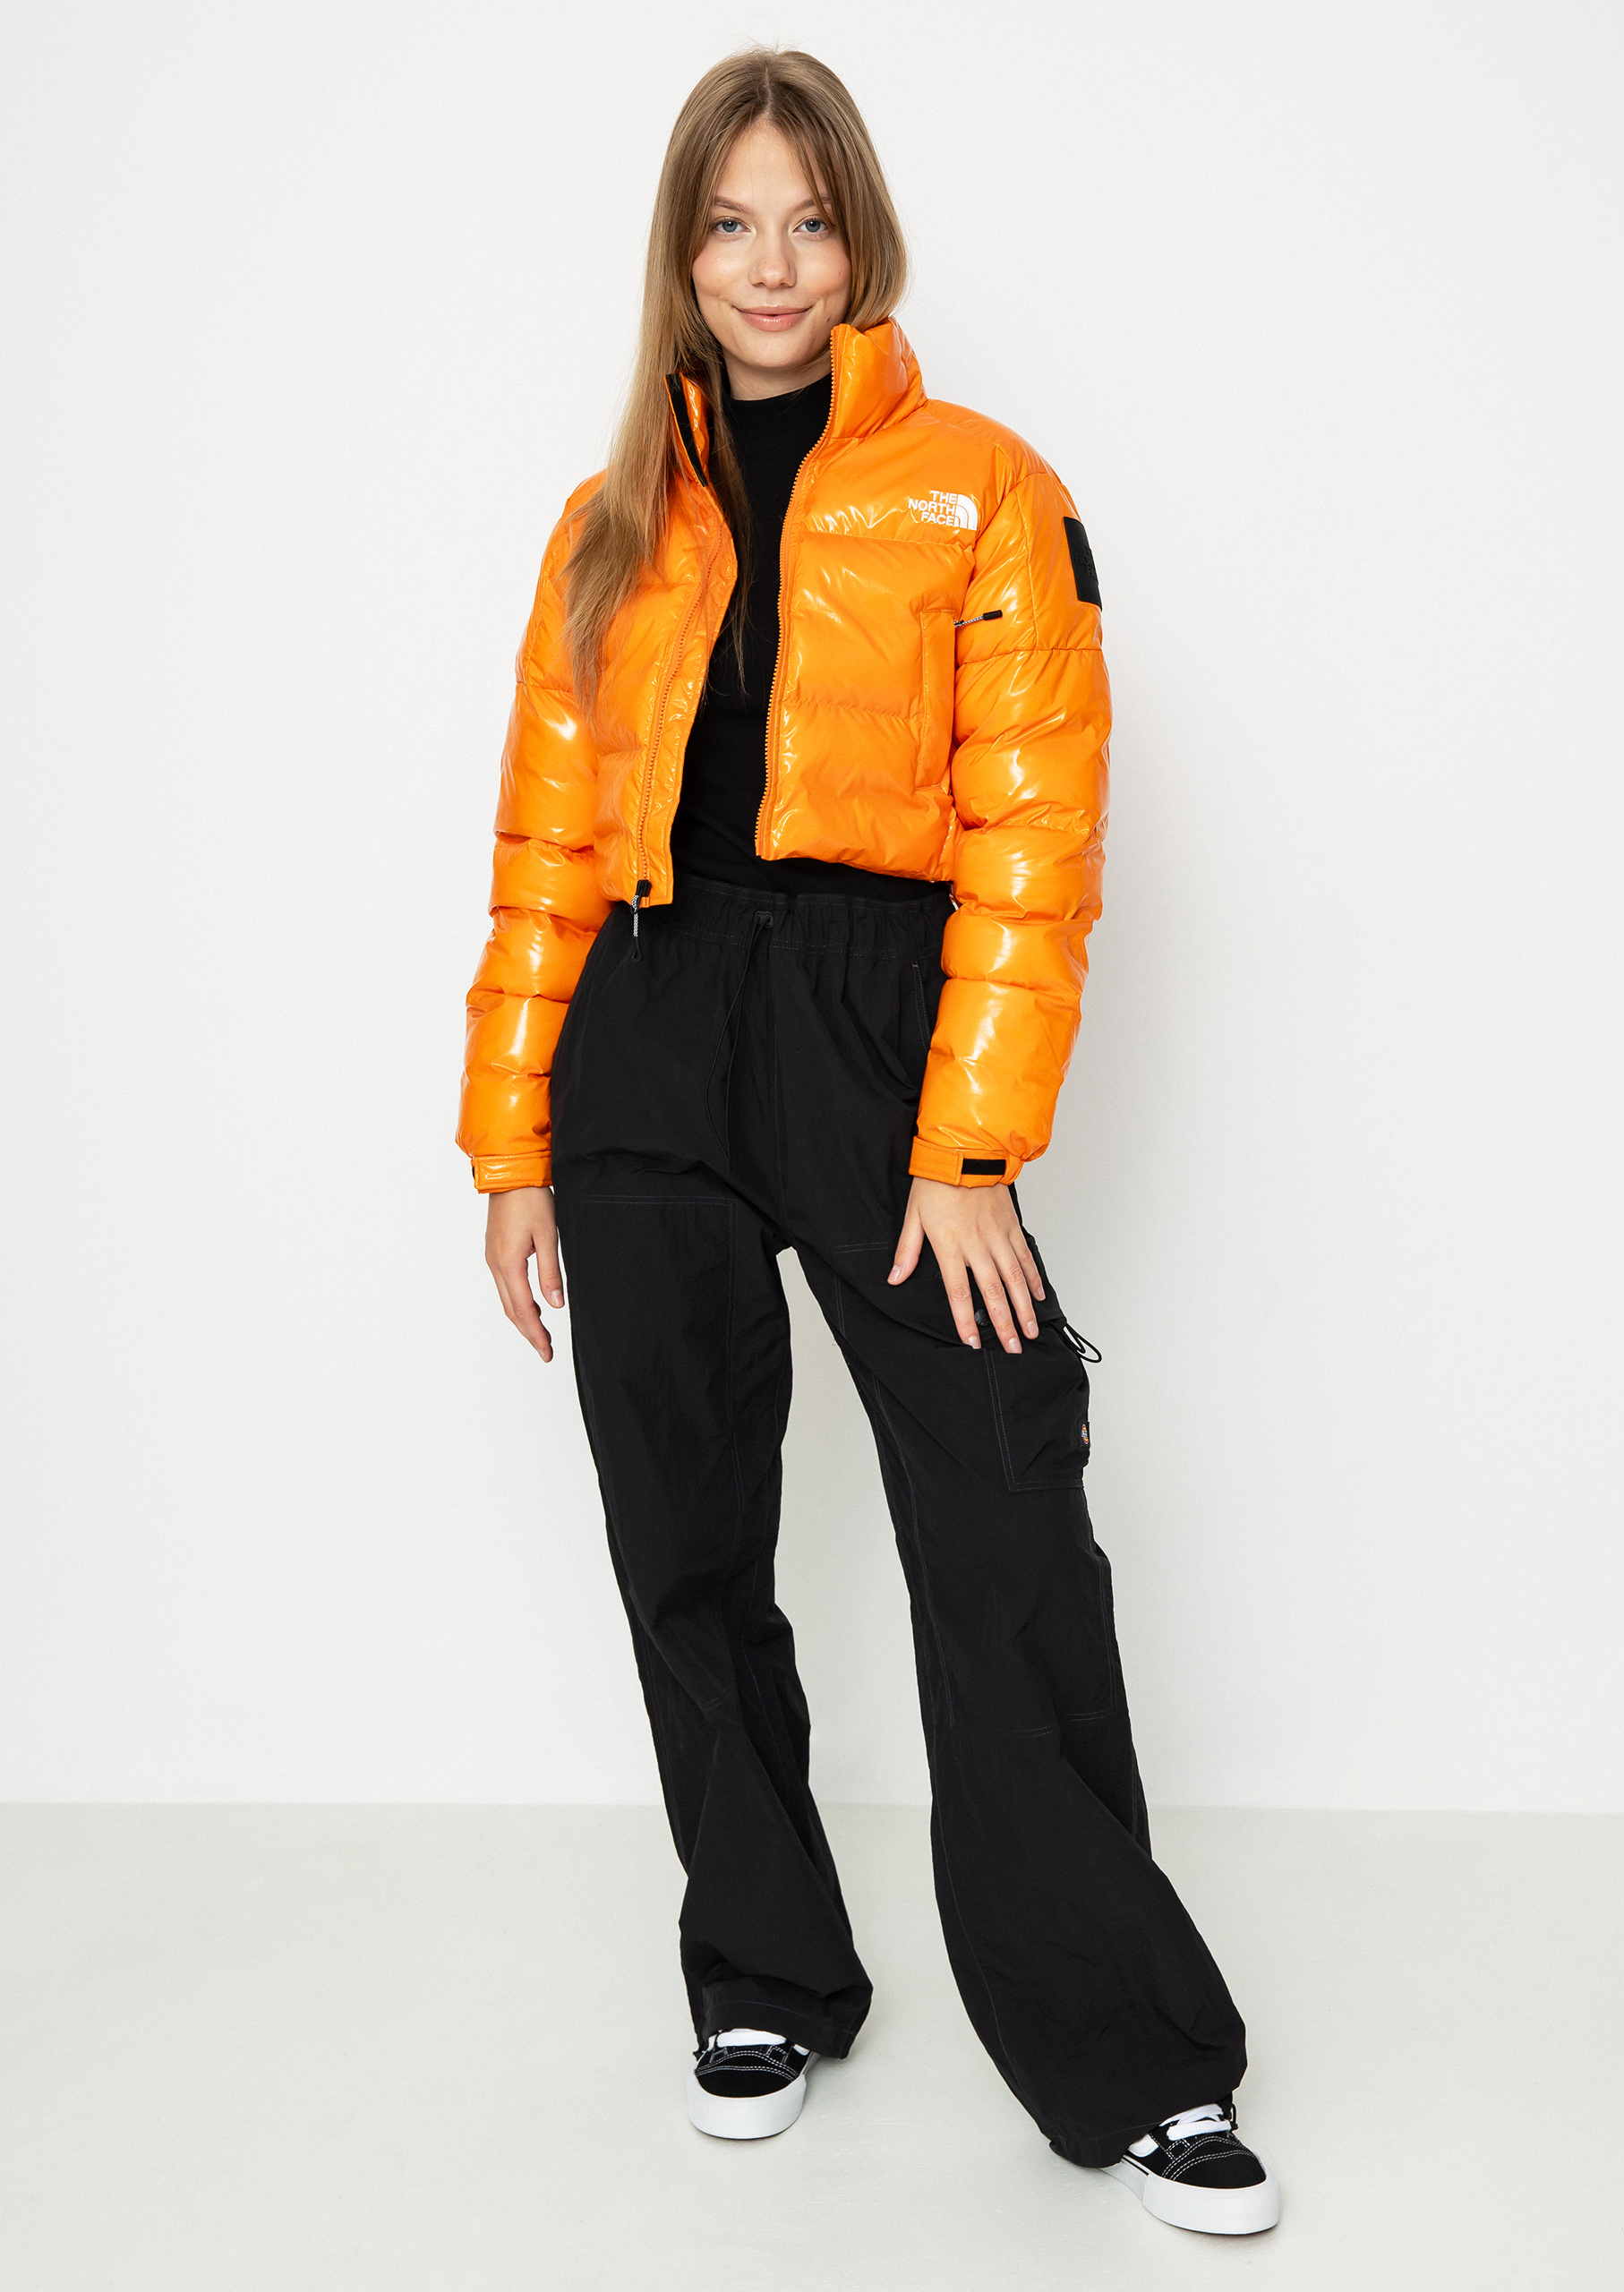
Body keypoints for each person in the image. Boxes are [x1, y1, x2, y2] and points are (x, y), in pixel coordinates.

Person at [457, 46, 1280, 2239]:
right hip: (644, 1039)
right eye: (730, 223)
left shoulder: (986, 491)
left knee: (1007, 1522)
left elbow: (1038, 834)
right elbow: (545, 848)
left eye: (808, 220)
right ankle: (764, 1970)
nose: (772, 265)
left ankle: (1131, 2056)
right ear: (681, 252)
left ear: (862, 239)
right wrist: (509, 1139)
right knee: (683, 1529)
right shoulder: (608, 521)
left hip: (875, 1026)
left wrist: (968, 1145)